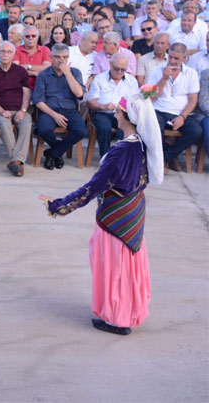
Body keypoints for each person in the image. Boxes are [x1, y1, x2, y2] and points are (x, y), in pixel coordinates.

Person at [42, 92, 162, 336]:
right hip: (134, 212)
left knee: (115, 268)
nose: (115, 114)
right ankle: (127, 311)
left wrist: (58, 206)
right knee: (128, 266)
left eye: (118, 111)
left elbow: (91, 189)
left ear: (128, 118)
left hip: (115, 218)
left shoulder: (120, 153)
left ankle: (117, 319)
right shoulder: (141, 144)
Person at [146, 43, 201, 172]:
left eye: (176, 58)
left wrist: (182, 116)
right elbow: (151, 97)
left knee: (196, 131)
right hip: (159, 109)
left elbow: (193, 100)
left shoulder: (191, 73)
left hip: (180, 112)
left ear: (184, 58)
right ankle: (167, 158)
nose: (172, 61)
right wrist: (164, 78)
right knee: (153, 126)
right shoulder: (156, 70)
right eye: (170, 57)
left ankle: (166, 157)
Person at [32, 43, 88, 170]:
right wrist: (54, 115)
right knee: (44, 129)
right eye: (57, 57)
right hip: (49, 110)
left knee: (81, 131)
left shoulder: (75, 72)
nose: (61, 60)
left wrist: (67, 74)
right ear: (51, 58)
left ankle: (51, 153)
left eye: (64, 57)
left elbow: (79, 94)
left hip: (70, 110)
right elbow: (38, 101)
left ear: (68, 58)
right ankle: (57, 153)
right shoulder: (43, 75)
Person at [0, 41, 32, 177]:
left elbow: (27, 93)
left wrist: (23, 111)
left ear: (14, 54)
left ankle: (15, 162)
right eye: (3, 52)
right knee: (5, 125)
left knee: (26, 124)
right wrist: (1, 111)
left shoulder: (21, 71)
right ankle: (17, 161)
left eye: (9, 52)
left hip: (19, 110)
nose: (5, 54)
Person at [86, 53, 140, 158]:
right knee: (104, 127)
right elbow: (90, 102)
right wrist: (103, 106)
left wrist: (127, 109)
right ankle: (105, 157)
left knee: (124, 128)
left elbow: (135, 102)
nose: (119, 72)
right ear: (110, 65)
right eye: (116, 68)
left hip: (123, 114)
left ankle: (118, 157)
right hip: (103, 113)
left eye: (123, 69)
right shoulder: (99, 78)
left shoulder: (131, 81)